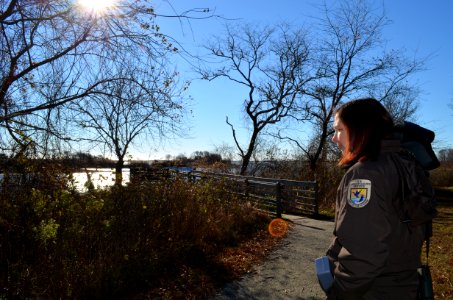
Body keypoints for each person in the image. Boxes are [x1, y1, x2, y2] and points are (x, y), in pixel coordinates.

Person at [326, 98, 427, 299]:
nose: (334, 138)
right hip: (404, 283)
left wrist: (340, 292)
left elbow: (364, 251)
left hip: (375, 288)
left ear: (360, 130)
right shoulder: (404, 162)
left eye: (339, 130)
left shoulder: (365, 174)